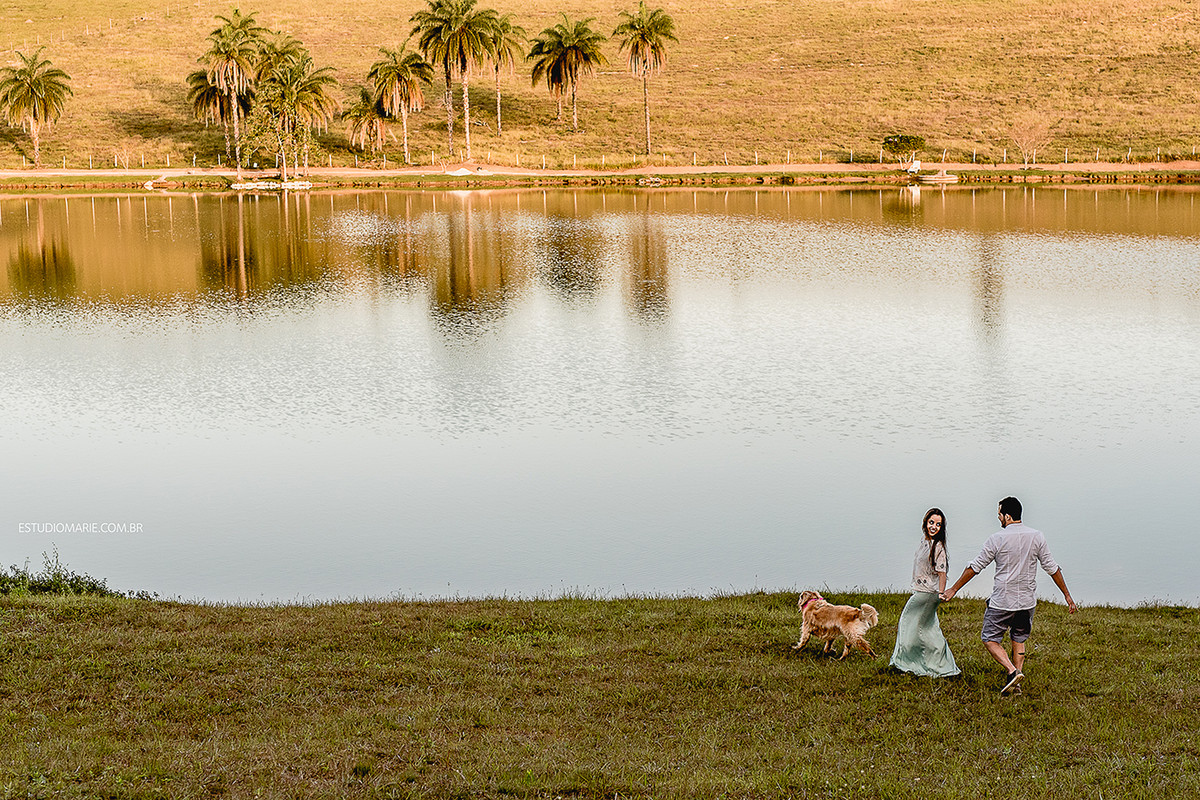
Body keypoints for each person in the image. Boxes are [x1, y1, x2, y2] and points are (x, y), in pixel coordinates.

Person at [940, 496, 1077, 695]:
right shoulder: (1037, 536)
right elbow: (1052, 568)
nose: (999, 518)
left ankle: (1012, 672)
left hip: (1003, 601)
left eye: (999, 515)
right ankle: (1017, 682)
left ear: (1008, 516)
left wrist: (953, 589)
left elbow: (975, 567)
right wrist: (1067, 596)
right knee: (1019, 638)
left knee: (989, 638)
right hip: (1027, 602)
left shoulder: (997, 538)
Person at [890, 508, 960, 677]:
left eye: (938, 524)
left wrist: (941, 593)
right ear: (925, 522)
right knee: (927, 628)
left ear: (941, 528)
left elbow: (942, 572)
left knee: (908, 622)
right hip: (922, 590)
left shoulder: (938, 547)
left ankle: (905, 661)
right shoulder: (925, 541)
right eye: (931, 522)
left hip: (928, 594)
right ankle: (931, 662)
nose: (934, 527)